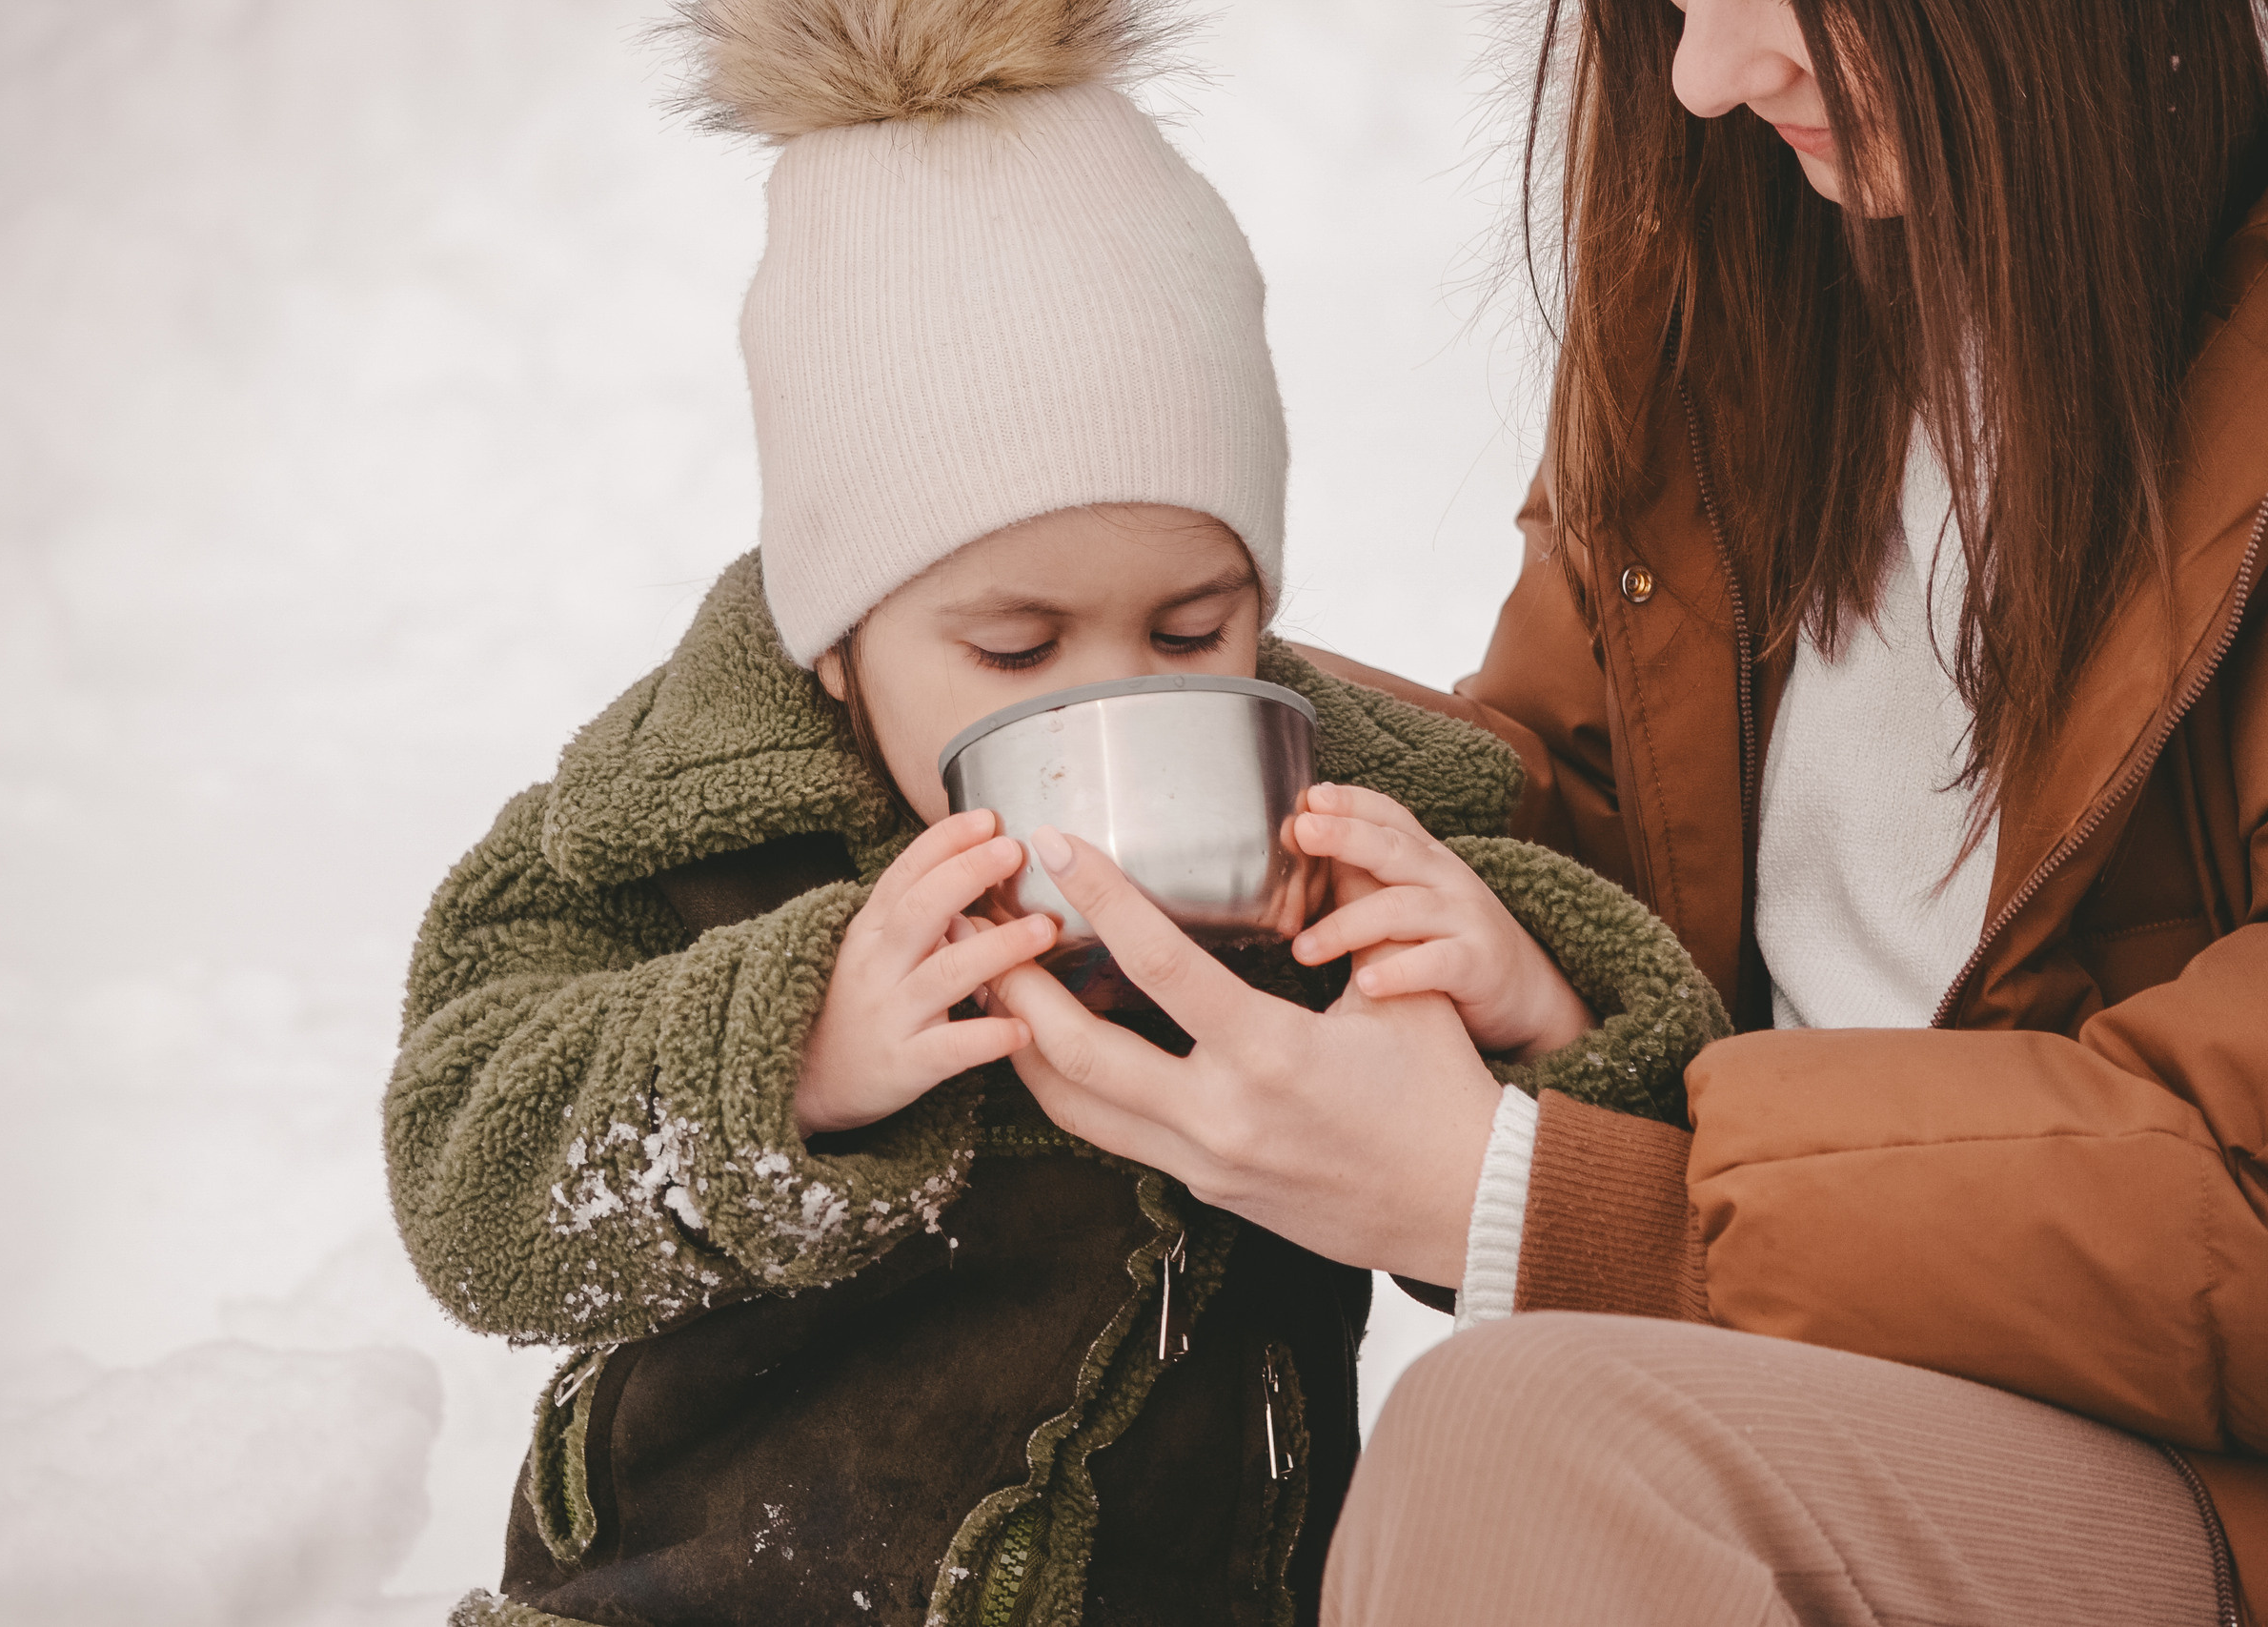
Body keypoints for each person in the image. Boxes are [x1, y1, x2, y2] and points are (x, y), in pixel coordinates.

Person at [383, 4, 1727, 1624]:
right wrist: (790, 1052)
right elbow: (472, 1184)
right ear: (835, 636)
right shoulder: (677, 840)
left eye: (1191, 629)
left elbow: (1619, 1276)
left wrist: (1535, 1022)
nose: (1123, 698)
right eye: (1014, 649)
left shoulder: (1337, 835)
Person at [982, 0, 2268, 1620]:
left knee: (1525, 1461)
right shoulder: (1756, 260)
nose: (1704, 73)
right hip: (1791, 1388)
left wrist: (1551, 1205)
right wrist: (1493, 943)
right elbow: (1593, 796)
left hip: (2191, 1482)